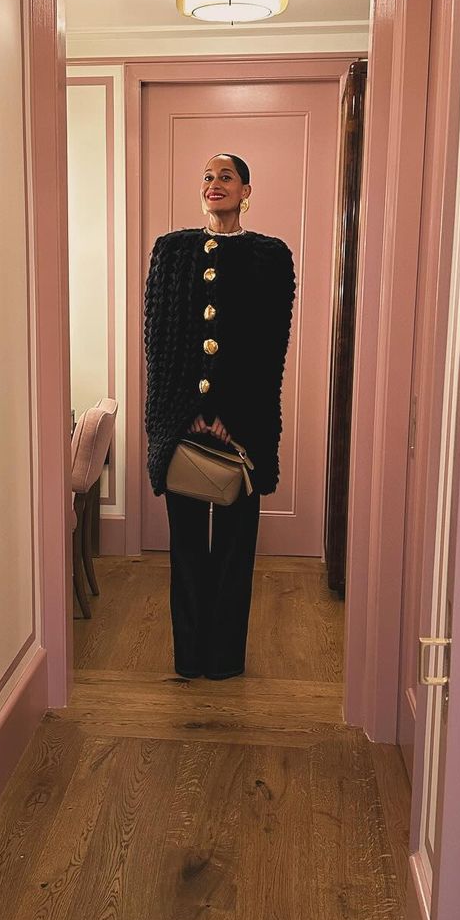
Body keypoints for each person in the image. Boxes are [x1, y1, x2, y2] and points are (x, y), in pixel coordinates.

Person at [143, 153, 296, 680]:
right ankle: (189, 658)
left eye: (226, 177)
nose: (215, 184)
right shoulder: (171, 251)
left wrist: (231, 417)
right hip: (182, 425)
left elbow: (268, 347)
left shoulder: (271, 257)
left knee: (235, 549)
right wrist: (184, 414)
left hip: (244, 426)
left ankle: (225, 660)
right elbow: (160, 343)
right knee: (186, 548)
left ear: (245, 190)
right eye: (207, 177)